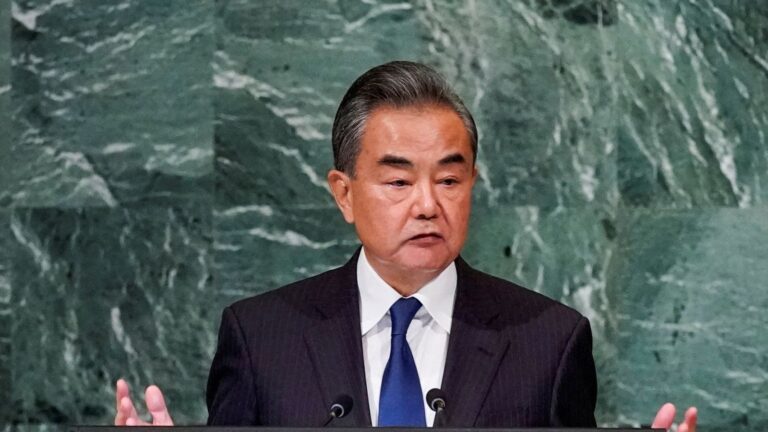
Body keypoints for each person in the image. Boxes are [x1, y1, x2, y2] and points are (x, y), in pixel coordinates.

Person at [114, 61, 697, 431]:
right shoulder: (262, 337)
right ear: (344, 193)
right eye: (398, 181)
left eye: (449, 179)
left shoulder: (549, 341)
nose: (427, 204)